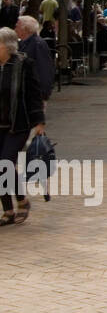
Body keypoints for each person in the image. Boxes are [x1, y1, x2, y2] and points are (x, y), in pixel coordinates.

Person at [0, 27, 45, 226]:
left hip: (17, 125)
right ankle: (8, 210)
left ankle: (21, 201)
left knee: (4, 163)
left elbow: (34, 94)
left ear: (7, 46)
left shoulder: (23, 64)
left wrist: (39, 121)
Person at [15, 16, 54, 102]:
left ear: (25, 29)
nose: (15, 28)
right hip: (28, 91)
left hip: (35, 92)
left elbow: (44, 68)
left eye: (17, 26)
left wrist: (43, 93)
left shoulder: (37, 44)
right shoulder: (22, 43)